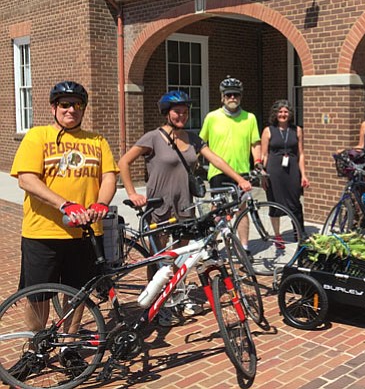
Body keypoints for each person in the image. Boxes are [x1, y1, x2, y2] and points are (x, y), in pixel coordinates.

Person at [10, 81, 119, 379]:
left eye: (76, 104)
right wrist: (65, 205)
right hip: (42, 232)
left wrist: (101, 203)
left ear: (83, 108)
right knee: (38, 295)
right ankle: (36, 349)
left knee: (77, 294)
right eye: (64, 104)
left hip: (85, 233)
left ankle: (68, 347)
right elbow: (27, 180)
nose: (70, 109)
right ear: (54, 108)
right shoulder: (38, 136)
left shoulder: (97, 141)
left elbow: (109, 176)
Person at [118, 90, 251, 325]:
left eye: (185, 112)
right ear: (166, 113)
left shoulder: (192, 138)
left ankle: (177, 296)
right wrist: (132, 192)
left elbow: (216, 159)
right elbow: (124, 162)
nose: (182, 115)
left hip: (185, 206)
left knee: (182, 258)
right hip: (159, 207)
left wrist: (239, 179)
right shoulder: (153, 138)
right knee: (160, 261)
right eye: (177, 111)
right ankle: (159, 306)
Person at [200, 76, 261, 253]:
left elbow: (255, 143)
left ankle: (244, 247)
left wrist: (257, 162)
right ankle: (211, 245)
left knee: (242, 210)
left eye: (235, 95)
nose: (232, 98)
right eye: (228, 95)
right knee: (217, 210)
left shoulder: (249, 118)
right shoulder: (212, 117)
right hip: (217, 173)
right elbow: (201, 143)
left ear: (240, 97)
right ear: (222, 97)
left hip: (242, 172)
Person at [261, 100, 309, 232]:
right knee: (274, 203)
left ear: (290, 114)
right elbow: (264, 155)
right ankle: (277, 235)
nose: (283, 114)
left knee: (295, 202)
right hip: (274, 171)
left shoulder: (297, 130)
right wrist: (262, 175)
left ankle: (299, 232)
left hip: (292, 170)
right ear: (275, 114)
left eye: (286, 112)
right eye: (280, 112)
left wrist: (304, 175)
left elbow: (301, 154)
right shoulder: (268, 131)